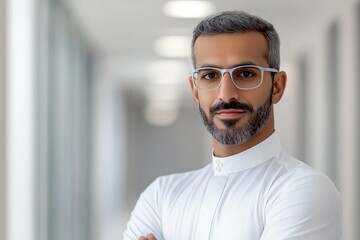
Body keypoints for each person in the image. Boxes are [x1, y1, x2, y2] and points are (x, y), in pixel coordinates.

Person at [123, 10, 342, 240]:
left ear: (277, 87)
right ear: (195, 90)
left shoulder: (305, 190)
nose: (226, 94)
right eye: (210, 76)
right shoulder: (161, 195)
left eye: (246, 73)